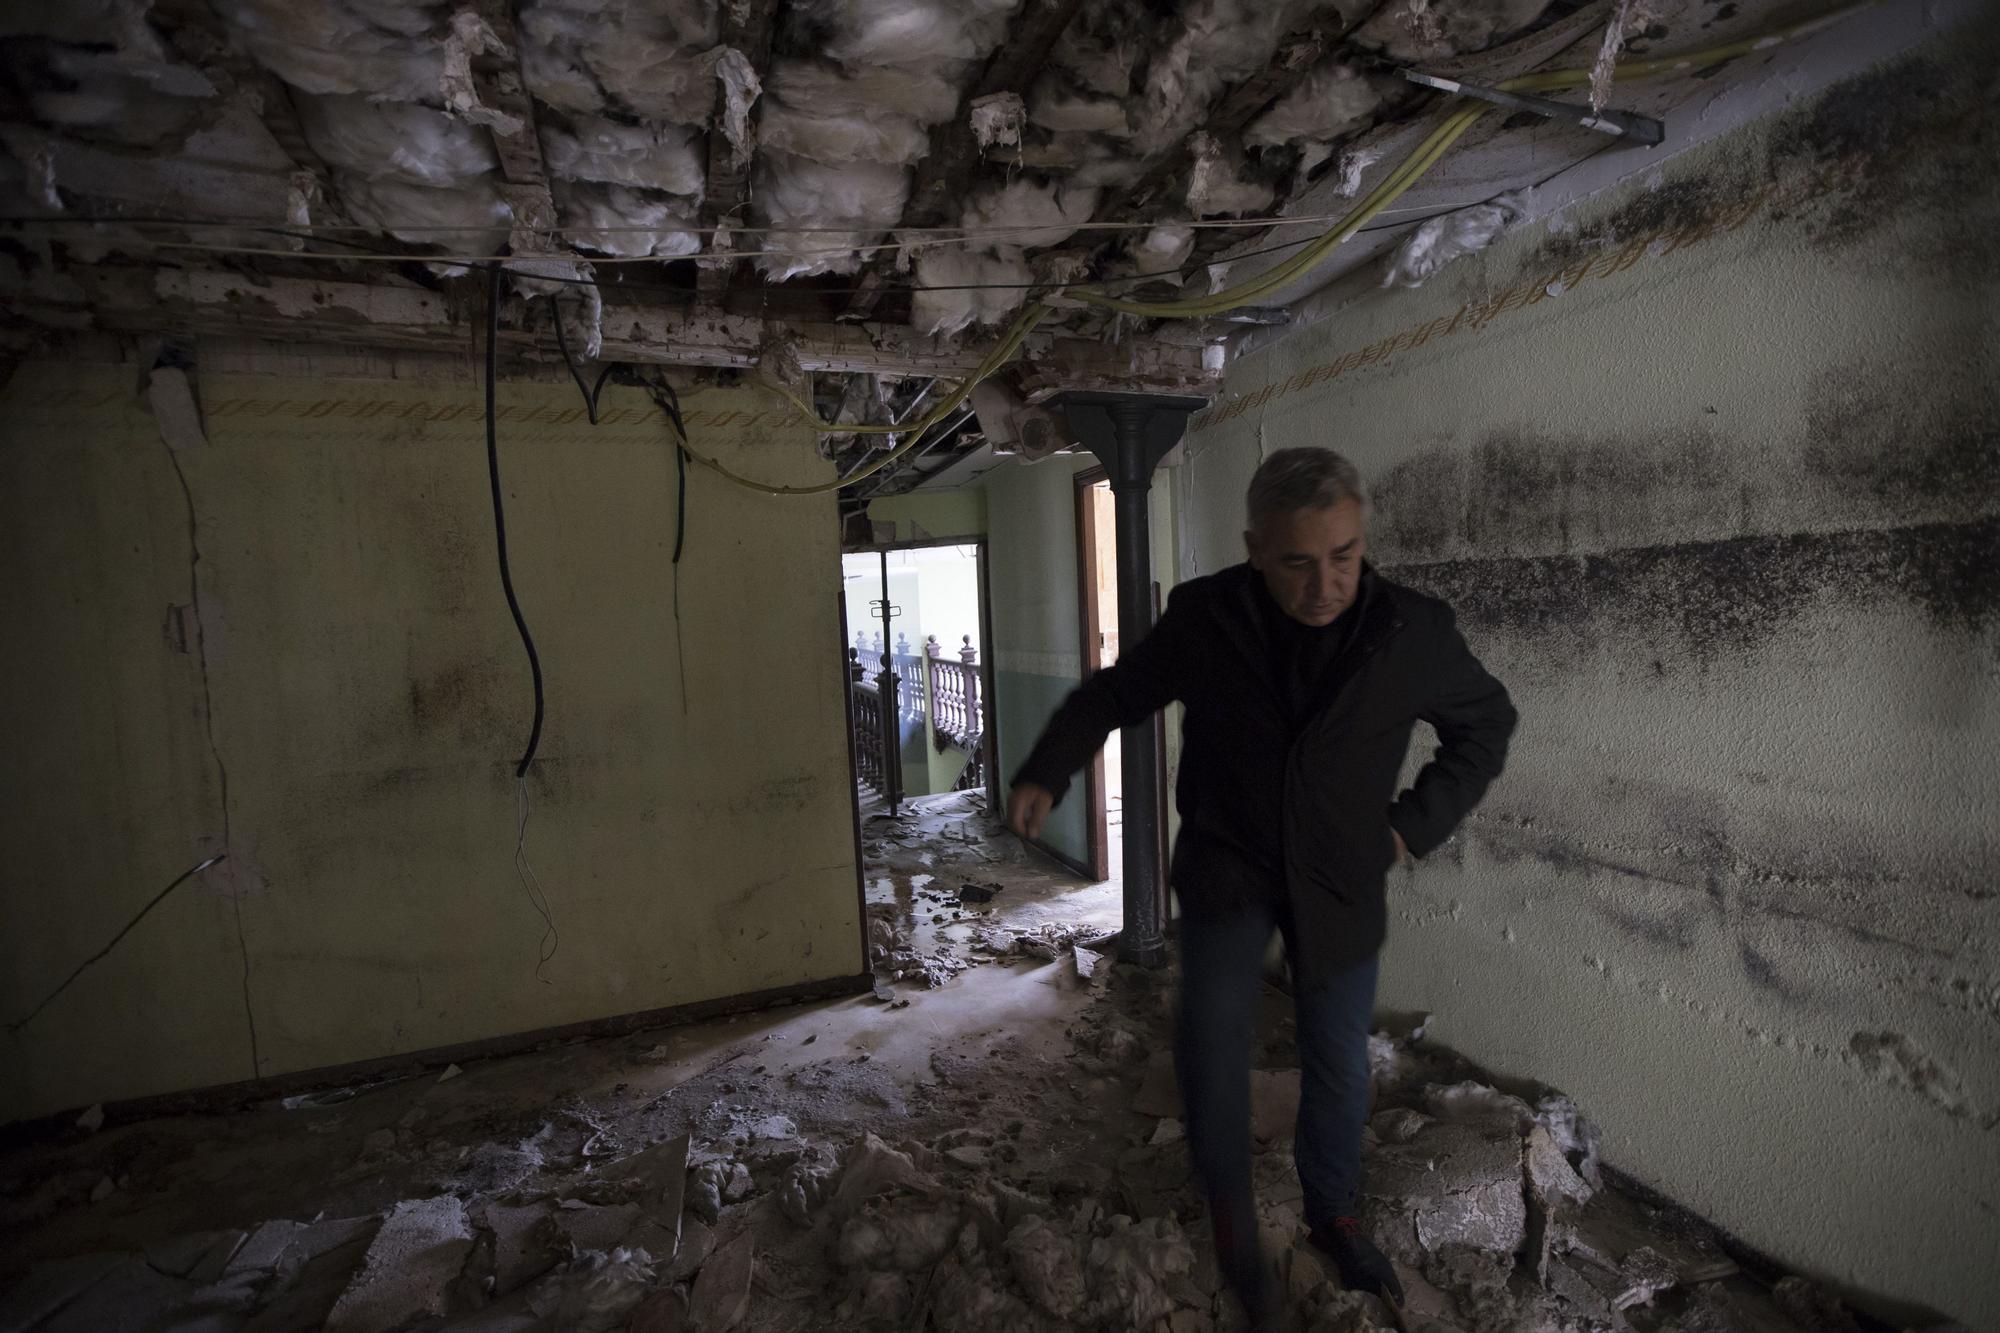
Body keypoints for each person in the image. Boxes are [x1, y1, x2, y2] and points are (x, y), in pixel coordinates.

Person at [1007, 447, 1516, 1322]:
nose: (1326, 583)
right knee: (1212, 1034)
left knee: (1335, 1057)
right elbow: (1117, 694)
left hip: (1341, 875)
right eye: (1297, 561)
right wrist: (1050, 768)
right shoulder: (1208, 620)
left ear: (1362, 542)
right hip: (1229, 859)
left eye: (1344, 556)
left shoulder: (1409, 631)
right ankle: (1232, 1219)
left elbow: (1486, 723)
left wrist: (1409, 825)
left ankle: (1333, 1214)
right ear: (1254, 548)